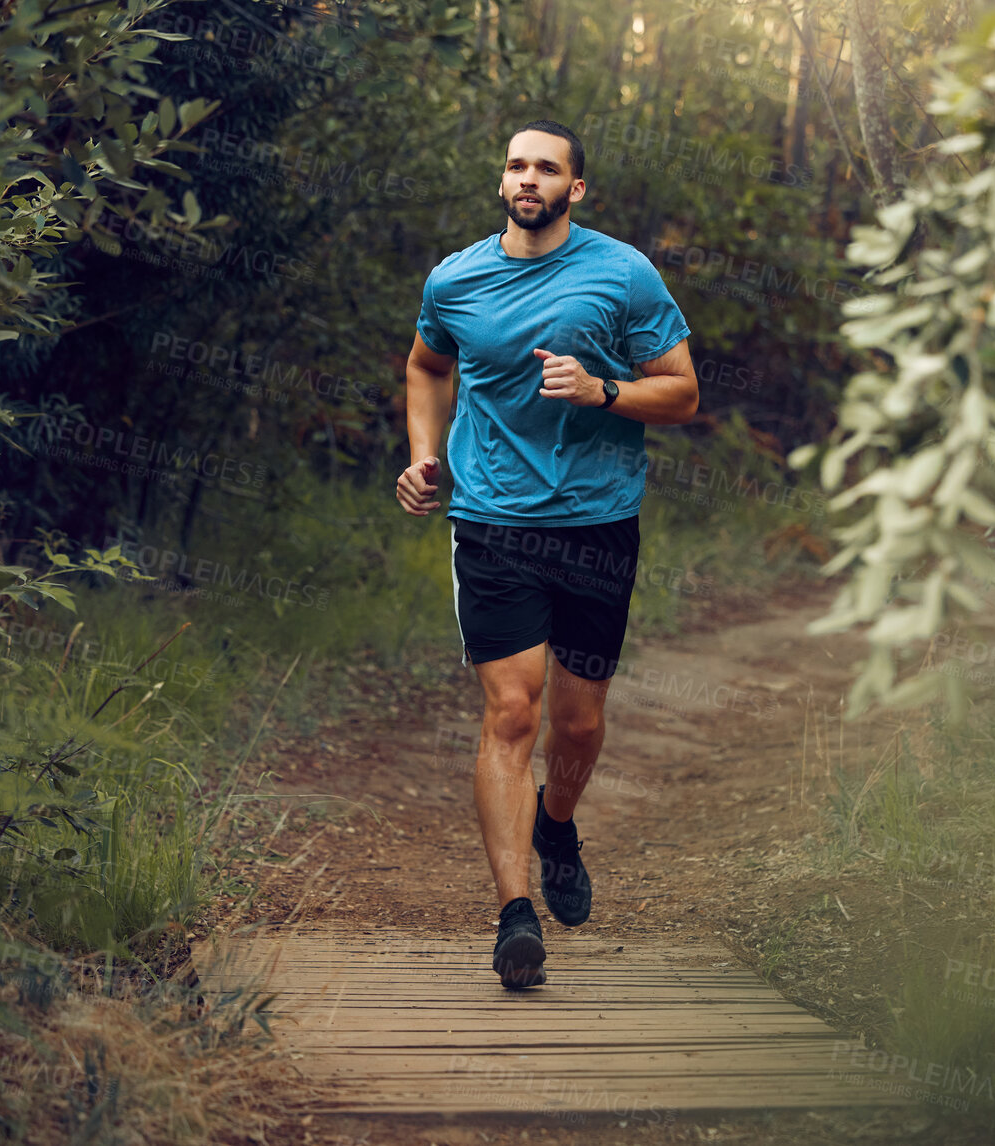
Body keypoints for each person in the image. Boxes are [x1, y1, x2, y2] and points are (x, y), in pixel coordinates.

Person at [395, 118, 697, 989]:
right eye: (517, 166)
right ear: (503, 182)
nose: (528, 179)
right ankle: (513, 916)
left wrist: (603, 390)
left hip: (598, 522)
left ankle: (556, 821)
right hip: (492, 521)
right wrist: (425, 453)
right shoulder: (455, 279)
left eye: (547, 168)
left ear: (576, 188)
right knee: (512, 714)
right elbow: (426, 367)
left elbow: (681, 393)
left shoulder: (622, 273)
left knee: (577, 722)